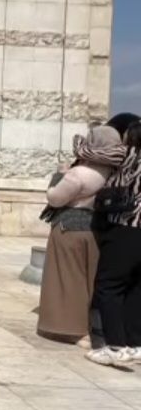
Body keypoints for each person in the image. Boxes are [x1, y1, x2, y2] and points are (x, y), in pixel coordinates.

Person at [38, 126, 119, 342]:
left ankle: (71, 328)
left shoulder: (78, 174)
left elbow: (55, 199)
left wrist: (58, 175)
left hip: (69, 228)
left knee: (68, 280)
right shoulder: (114, 172)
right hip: (95, 229)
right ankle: (90, 326)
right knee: (88, 279)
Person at [87, 121, 141, 366]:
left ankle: (115, 346)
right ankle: (135, 344)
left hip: (126, 227)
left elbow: (89, 151)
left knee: (109, 285)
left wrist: (83, 140)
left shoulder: (128, 154)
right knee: (135, 288)